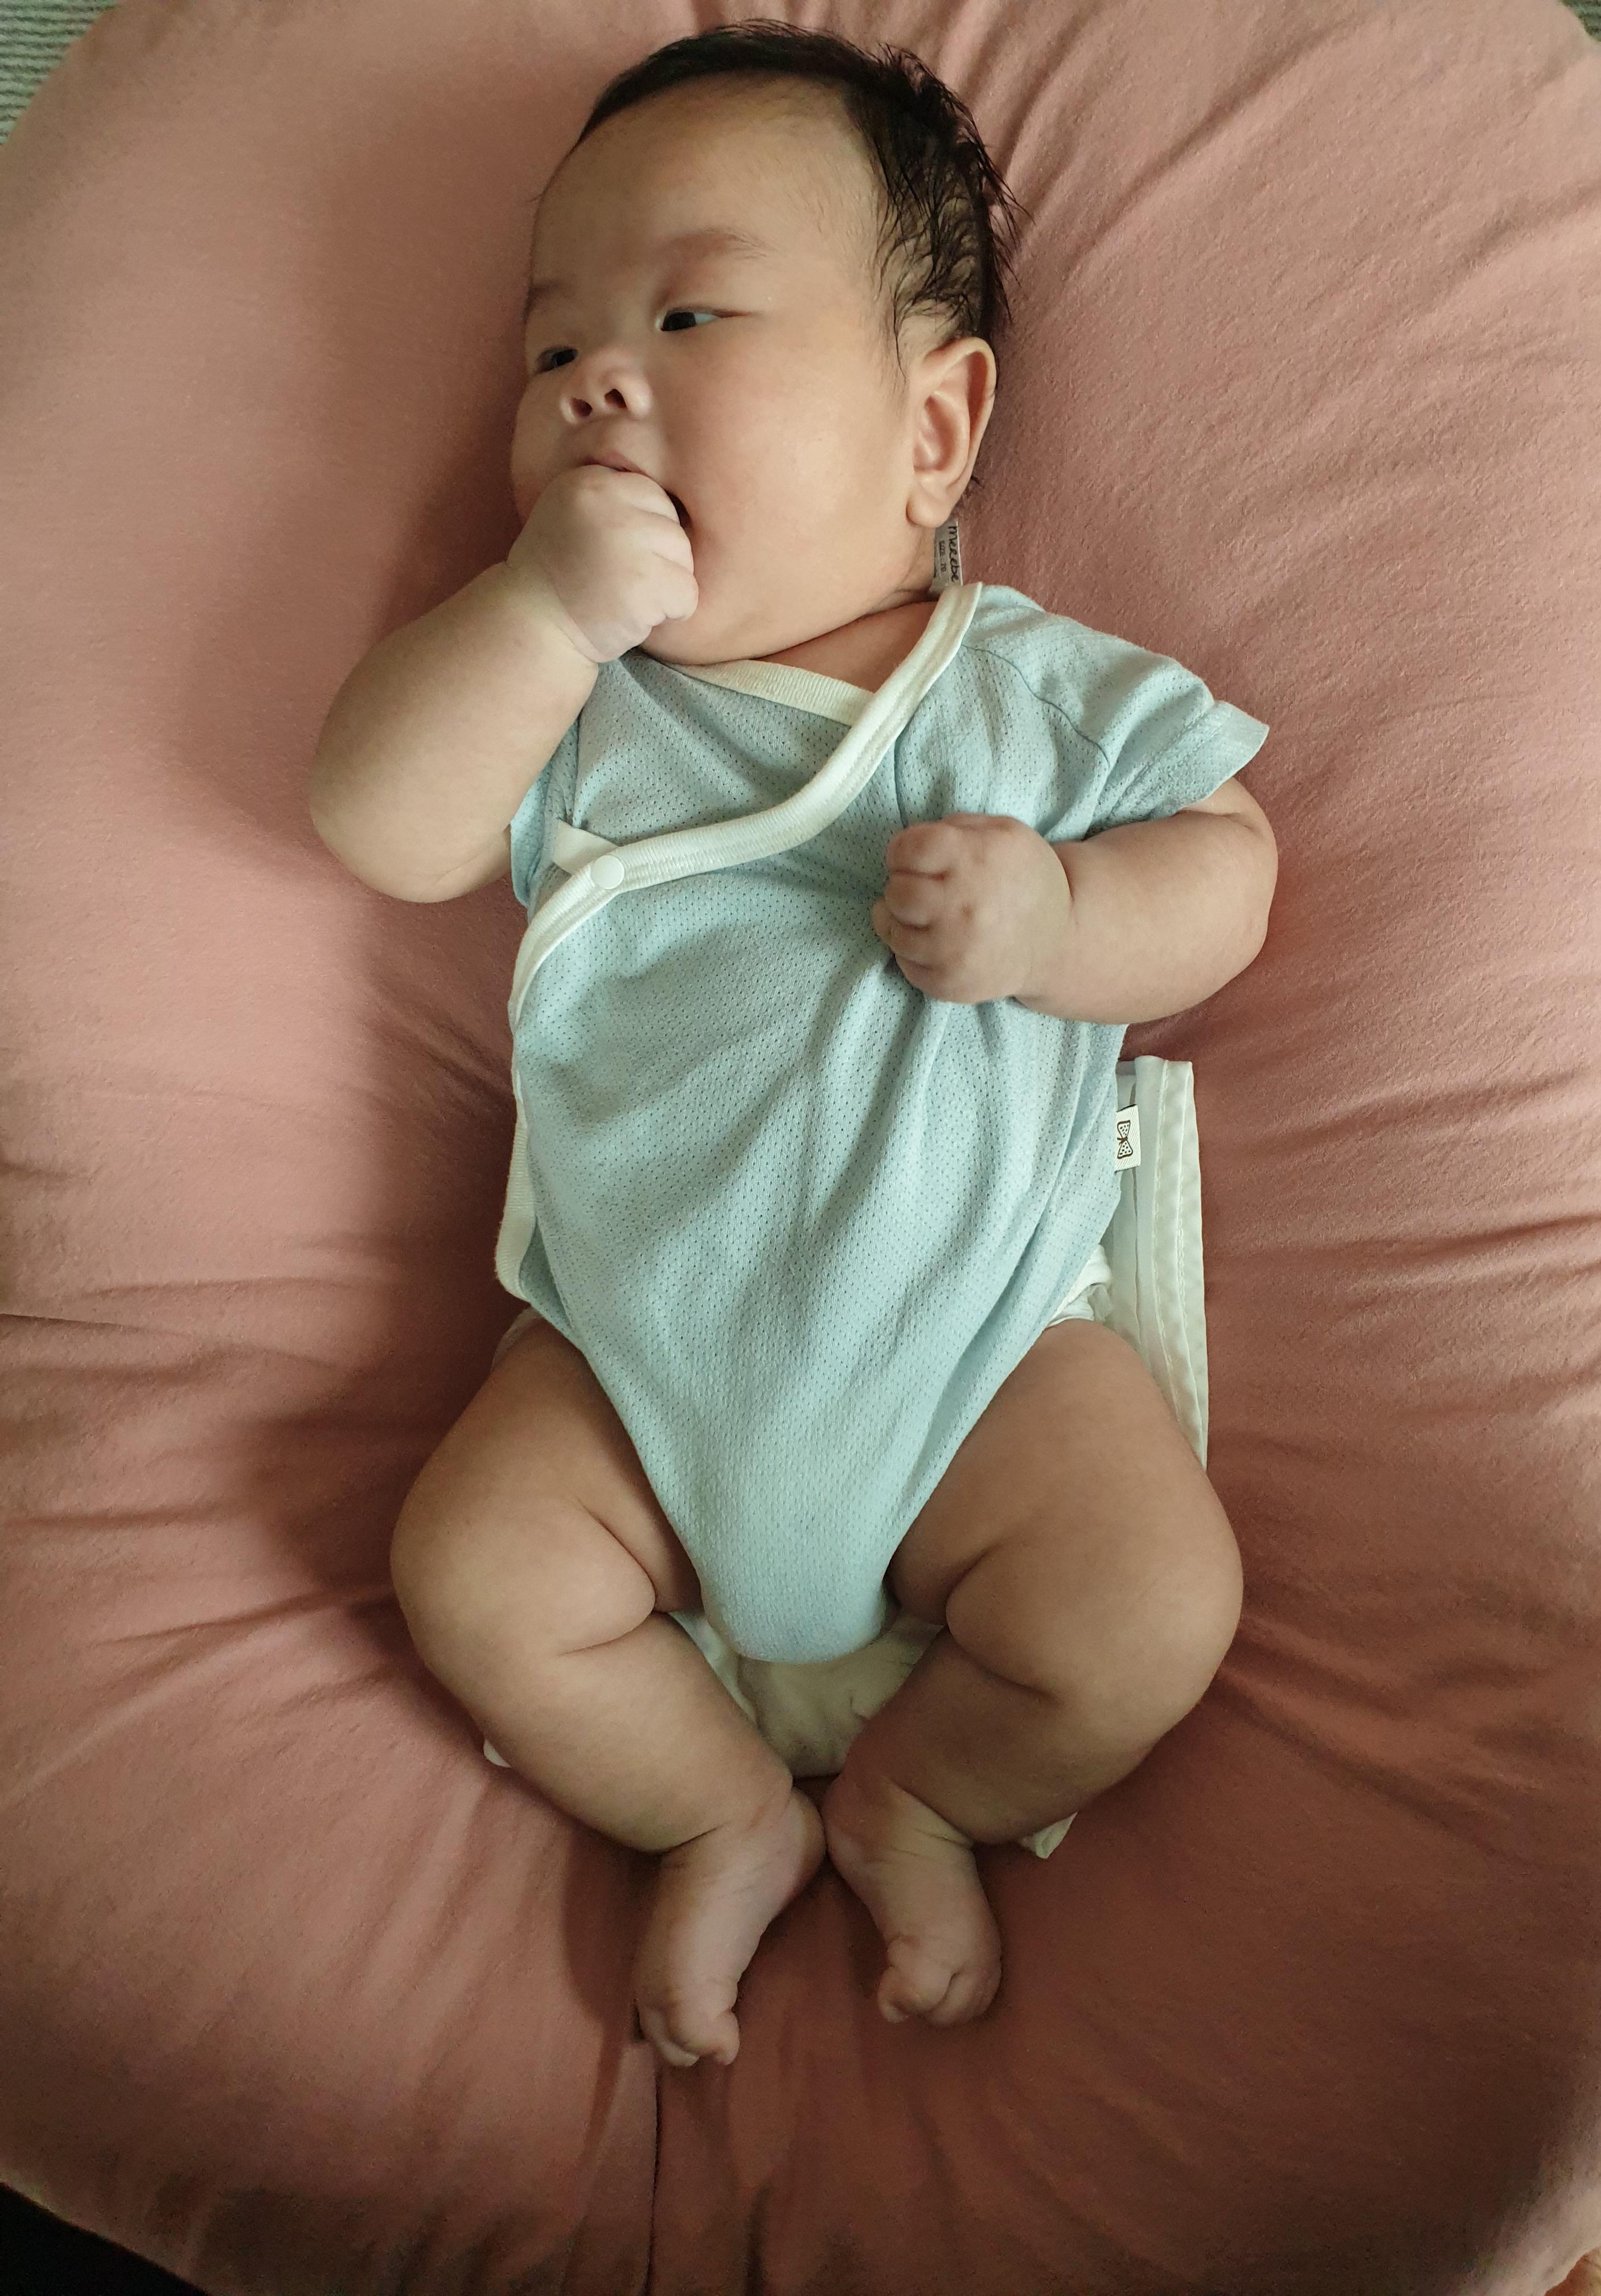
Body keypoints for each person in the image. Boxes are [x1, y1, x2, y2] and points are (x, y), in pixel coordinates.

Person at [309, 23, 1276, 2074]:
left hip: (979, 1366)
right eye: (552, 344)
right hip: (629, 1376)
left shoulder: (1030, 700)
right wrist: (536, 617)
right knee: (471, 1573)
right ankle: (716, 1809)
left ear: (933, 429)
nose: (597, 379)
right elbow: (379, 825)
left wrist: (1063, 919)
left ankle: (918, 1793)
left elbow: (1234, 871)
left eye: (689, 315)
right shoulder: (580, 713)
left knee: (1145, 1612)